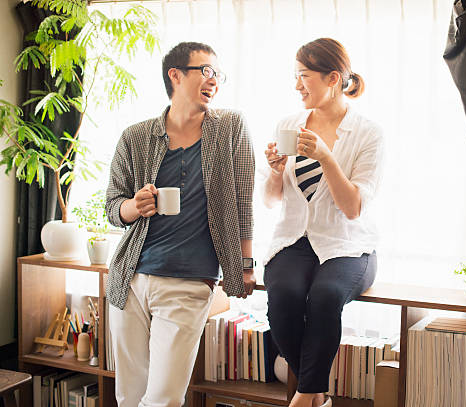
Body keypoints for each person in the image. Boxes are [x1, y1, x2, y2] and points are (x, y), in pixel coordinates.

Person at [105, 41, 256, 407]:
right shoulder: (136, 136)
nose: (214, 80)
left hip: (189, 282)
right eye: (206, 71)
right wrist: (134, 206)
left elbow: (243, 203)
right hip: (130, 280)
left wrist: (246, 265)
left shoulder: (230, 128)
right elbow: (112, 207)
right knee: (129, 396)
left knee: (164, 399)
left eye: (218, 74)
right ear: (175, 75)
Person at [263, 38, 384, 407]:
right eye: (295, 76)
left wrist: (326, 157)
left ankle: (303, 400)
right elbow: (270, 200)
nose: (296, 85)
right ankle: (317, 395)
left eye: (304, 76)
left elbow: (353, 208)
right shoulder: (289, 124)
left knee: (326, 296)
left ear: (333, 78)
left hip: (349, 244)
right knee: (282, 298)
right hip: (295, 241)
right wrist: (274, 172)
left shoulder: (368, 133)